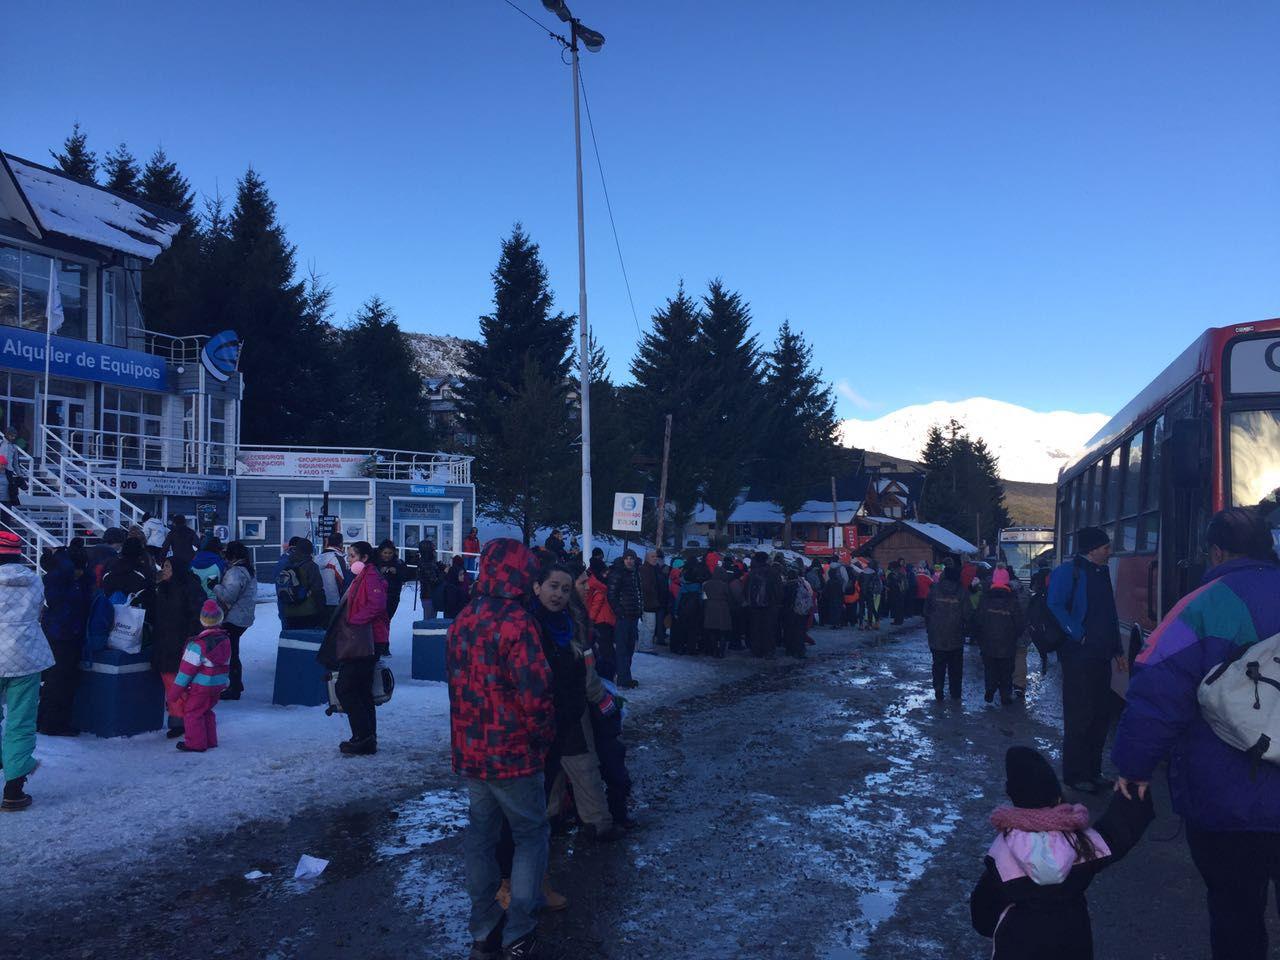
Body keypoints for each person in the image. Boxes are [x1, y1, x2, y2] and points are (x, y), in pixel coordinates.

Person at [1112, 509, 1280, 960]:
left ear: (1218, 551)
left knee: (1235, 918)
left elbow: (1156, 696)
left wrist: (1134, 767)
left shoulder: (1203, 604)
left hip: (1226, 802)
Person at [447, 539, 555, 960]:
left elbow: (455, 685)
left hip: (472, 750)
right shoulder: (518, 622)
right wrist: (542, 738)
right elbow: (536, 692)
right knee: (530, 836)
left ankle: (484, 926)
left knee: (480, 837)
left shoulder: (463, 619)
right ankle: (519, 931)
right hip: (513, 751)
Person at [970, 746, 1153, 959]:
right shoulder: (1082, 843)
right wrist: (1134, 781)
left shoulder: (1002, 853)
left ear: (1012, 795)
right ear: (1058, 798)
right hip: (1073, 939)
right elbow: (1121, 829)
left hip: (1018, 942)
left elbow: (983, 913)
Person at [531, 563, 620, 841]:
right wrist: (601, 699)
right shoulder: (528, 625)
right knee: (581, 768)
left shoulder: (568, 622)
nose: (559, 594)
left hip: (568, 709)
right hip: (549, 711)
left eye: (566, 589)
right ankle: (596, 823)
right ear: (537, 587)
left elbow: (584, 668)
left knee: (559, 767)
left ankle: (557, 817)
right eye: (553, 587)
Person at [1047, 527, 1123, 793]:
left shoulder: (1101, 573)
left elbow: (1109, 614)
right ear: (1092, 549)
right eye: (1105, 548)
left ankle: (1093, 771)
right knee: (1080, 716)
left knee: (1101, 716)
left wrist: (1118, 650)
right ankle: (1075, 774)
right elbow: (1054, 605)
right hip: (1078, 656)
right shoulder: (1069, 573)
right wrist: (1077, 634)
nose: (1109, 552)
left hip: (1101, 656)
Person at [322, 541, 389, 756]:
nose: (349, 559)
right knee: (361, 689)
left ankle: (363, 736)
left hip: (365, 639)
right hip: (363, 638)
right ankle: (367, 737)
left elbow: (377, 604)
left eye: (352, 556)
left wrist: (353, 621)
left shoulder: (370, 576)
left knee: (347, 687)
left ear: (365, 558)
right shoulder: (363, 576)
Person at [0, 531, 51, 811]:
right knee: (21, 721)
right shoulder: (35, 582)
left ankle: (4, 757)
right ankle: (13, 791)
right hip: (27, 657)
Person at [36, 546, 92, 736]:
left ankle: (44, 719)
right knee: (60, 681)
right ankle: (53, 723)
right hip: (64, 636)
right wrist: (62, 555)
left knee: (53, 680)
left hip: (57, 634)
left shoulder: (56, 580)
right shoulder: (62, 581)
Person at [151, 558, 206, 738]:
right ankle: (180, 718)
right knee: (172, 681)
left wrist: (191, 638)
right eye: (164, 566)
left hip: (182, 642)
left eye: (168, 566)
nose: (164, 569)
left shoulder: (188, 588)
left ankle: (184, 719)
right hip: (166, 642)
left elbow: (197, 616)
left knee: (179, 682)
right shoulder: (164, 587)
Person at [167, 600, 231, 753]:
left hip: (201, 687)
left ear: (202, 620)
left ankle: (195, 743)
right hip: (218, 684)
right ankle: (210, 740)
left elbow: (185, 671)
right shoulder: (225, 640)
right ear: (220, 619)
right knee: (206, 710)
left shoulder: (197, 645)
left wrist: (173, 693)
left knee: (193, 712)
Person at [976, 568, 1027, 705]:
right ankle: (1005, 694)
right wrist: (1014, 636)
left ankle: (990, 688)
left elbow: (978, 620)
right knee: (1006, 670)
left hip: (988, 643)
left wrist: (980, 637)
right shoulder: (1012, 600)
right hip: (1008, 643)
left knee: (990, 668)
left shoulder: (985, 598)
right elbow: (1020, 624)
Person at [213, 541, 256, 701]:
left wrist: (215, 586)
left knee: (232, 652)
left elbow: (229, 596)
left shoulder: (235, 572)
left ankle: (235, 686)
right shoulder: (248, 570)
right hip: (244, 616)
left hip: (233, 617)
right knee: (234, 650)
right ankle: (236, 683)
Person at [926, 563, 968, 701]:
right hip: (956, 635)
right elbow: (968, 614)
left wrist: (930, 626)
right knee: (955, 667)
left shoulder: (934, 590)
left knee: (938, 664)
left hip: (936, 634)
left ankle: (938, 687)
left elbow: (926, 611)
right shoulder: (961, 591)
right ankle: (955, 692)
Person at [607, 550, 643, 688]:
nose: (629, 561)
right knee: (622, 648)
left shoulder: (635, 573)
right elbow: (611, 595)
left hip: (633, 615)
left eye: (631, 558)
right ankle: (623, 678)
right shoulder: (618, 573)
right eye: (627, 558)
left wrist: (639, 609)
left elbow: (638, 592)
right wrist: (618, 610)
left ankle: (626, 676)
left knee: (629, 648)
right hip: (623, 617)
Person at [277, 538, 326, 629]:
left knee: (293, 640)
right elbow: (317, 589)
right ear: (310, 551)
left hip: (289, 611)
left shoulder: (288, 563)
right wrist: (322, 610)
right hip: (308, 612)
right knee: (307, 640)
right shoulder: (311, 566)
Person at [584, 556, 617, 680]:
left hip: (600, 619)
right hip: (605, 618)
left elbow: (596, 603)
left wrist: (590, 619)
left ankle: (609, 672)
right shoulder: (599, 583)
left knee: (604, 648)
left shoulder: (593, 582)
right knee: (606, 647)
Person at [746, 552, 781, 659]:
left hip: (755, 606)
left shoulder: (752, 573)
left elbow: (747, 589)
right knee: (769, 629)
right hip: (770, 605)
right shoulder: (773, 573)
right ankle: (769, 650)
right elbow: (779, 590)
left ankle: (756, 650)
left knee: (756, 628)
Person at [701, 561, 733, 659]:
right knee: (722, 631)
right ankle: (721, 652)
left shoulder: (707, 584)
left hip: (710, 607)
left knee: (712, 631)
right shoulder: (724, 585)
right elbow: (729, 597)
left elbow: (703, 597)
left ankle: (714, 650)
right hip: (722, 608)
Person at [374, 539, 411, 621]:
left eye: (390, 553)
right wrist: (378, 571)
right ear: (380, 552)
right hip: (376, 596)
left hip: (393, 596)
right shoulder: (375, 563)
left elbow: (407, 576)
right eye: (385, 553)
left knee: (387, 619)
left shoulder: (399, 563)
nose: (387, 555)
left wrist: (397, 572)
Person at [316, 533, 348, 624]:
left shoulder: (316, 558)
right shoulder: (337, 558)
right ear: (341, 544)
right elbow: (343, 580)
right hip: (335, 602)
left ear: (327, 543)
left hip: (318, 601)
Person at [782, 564, 812, 659]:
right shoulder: (802, 585)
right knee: (799, 631)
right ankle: (799, 650)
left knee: (789, 631)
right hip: (801, 612)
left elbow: (783, 599)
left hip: (789, 612)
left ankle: (790, 650)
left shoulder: (786, 586)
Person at [638, 551, 664, 650]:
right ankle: (646, 646)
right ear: (647, 558)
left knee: (646, 626)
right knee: (650, 626)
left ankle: (643, 645)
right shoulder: (646, 570)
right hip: (648, 602)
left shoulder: (651, 569)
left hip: (649, 602)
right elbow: (646, 587)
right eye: (652, 557)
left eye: (656, 557)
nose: (655, 558)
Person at [189, 536, 225, 600]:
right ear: (218, 549)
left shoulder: (191, 563)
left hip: (195, 602)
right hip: (213, 603)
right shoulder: (221, 563)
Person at [443, 555, 472, 620]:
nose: (463, 576)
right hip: (453, 619)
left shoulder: (457, 586)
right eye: (461, 575)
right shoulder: (452, 589)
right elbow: (452, 606)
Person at [417, 538, 440, 616]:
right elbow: (433, 580)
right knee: (429, 620)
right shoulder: (426, 564)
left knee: (431, 617)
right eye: (433, 549)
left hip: (430, 595)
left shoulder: (429, 562)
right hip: (428, 595)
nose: (435, 552)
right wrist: (444, 574)